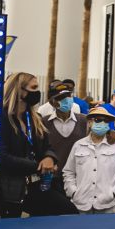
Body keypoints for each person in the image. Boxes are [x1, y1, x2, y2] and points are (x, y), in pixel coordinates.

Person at [0, 73, 59, 219]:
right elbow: (1, 157)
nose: (37, 92)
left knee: (66, 209)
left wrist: (49, 158)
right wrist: (38, 166)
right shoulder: (0, 118)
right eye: (33, 87)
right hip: (10, 188)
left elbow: (47, 146)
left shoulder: (36, 118)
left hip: (37, 184)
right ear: (19, 90)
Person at [62, 106, 115, 214]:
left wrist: (114, 192)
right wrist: (72, 192)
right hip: (81, 204)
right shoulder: (79, 145)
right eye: (98, 120)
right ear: (90, 122)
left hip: (107, 204)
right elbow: (68, 171)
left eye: (106, 120)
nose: (102, 123)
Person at [42, 84, 90, 212]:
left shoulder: (84, 121)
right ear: (53, 102)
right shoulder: (44, 122)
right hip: (52, 178)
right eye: (61, 97)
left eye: (68, 96)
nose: (67, 100)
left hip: (78, 178)